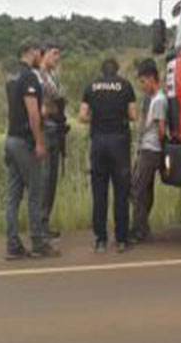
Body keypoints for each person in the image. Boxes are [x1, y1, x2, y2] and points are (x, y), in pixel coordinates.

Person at [4, 38, 60, 260]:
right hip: (24, 142)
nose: (41, 55)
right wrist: (39, 142)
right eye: (39, 51)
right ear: (32, 51)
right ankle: (38, 243)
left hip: (11, 139)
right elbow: (33, 113)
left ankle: (13, 245)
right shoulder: (29, 76)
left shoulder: (12, 75)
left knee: (13, 196)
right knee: (36, 192)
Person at [79, 58, 137, 254]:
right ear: (117, 70)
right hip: (119, 144)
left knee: (99, 193)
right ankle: (121, 240)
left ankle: (101, 240)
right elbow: (133, 115)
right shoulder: (125, 86)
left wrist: (97, 119)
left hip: (98, 143)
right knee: (121, 192)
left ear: (102, 71)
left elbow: (82, 116)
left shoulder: (91, 86)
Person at [130, 59, 168, 244]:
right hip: (147, 148)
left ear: (152, 79)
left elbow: (161, 129)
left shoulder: (159, 100)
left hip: (150, 150)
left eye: (143, 81)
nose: (142, 86)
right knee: (145, 190)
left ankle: (140, 230)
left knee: (137, 190)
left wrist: (159, 148)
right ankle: (142, 228)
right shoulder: (152, 99)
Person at [39, 42, 68, 240]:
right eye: (54, 53)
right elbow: (49, 101)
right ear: (45, 54)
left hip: (55, 128)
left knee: (51, 181)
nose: (57, 58)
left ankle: (44, 223)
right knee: (45, 179)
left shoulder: (52, 75)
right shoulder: (39, 75)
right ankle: (40, 226)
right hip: (46, 129)